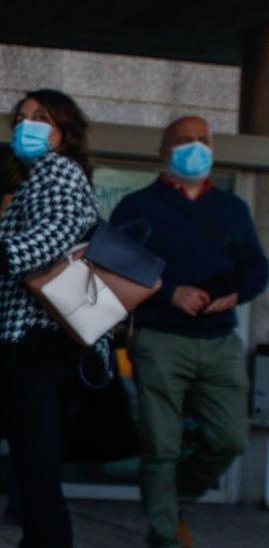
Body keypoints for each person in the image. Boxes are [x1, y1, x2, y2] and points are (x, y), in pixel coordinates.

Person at [0, 89, 106, 548]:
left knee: (35, 467)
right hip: (45, 342)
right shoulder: (41, 179)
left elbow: (55, 237)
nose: (27, 125)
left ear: (66, 130)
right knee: (34, 467)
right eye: (21, 118)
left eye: (41, 117)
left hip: (42, 342)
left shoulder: (57, 170)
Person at [110, 115, 268, 548]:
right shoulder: (138, 206)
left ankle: (168, 498)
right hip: (160, 340)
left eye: (204, 141)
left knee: (230, 438)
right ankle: (164, 535)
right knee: (161, 445)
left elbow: (257, 267)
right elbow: (113, 269)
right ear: (164, 152)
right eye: (185, 141)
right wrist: (170, 294)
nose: (196, 148)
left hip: (219, 341)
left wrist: (234, 294)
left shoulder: (232, 208)